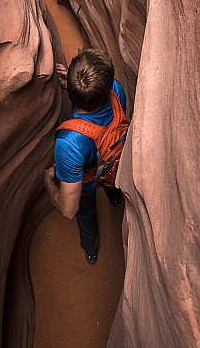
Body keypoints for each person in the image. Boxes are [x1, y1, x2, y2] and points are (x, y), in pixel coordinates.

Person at [42, 48, 128, 264]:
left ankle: (91, 251)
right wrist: (77, 86)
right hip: (115, 164)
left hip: (89, 184)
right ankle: (115, 197)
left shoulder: (69, 143)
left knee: (85, 214)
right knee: (112, 181)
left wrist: (49, 183)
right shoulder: (116, 90)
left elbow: (68, 209)